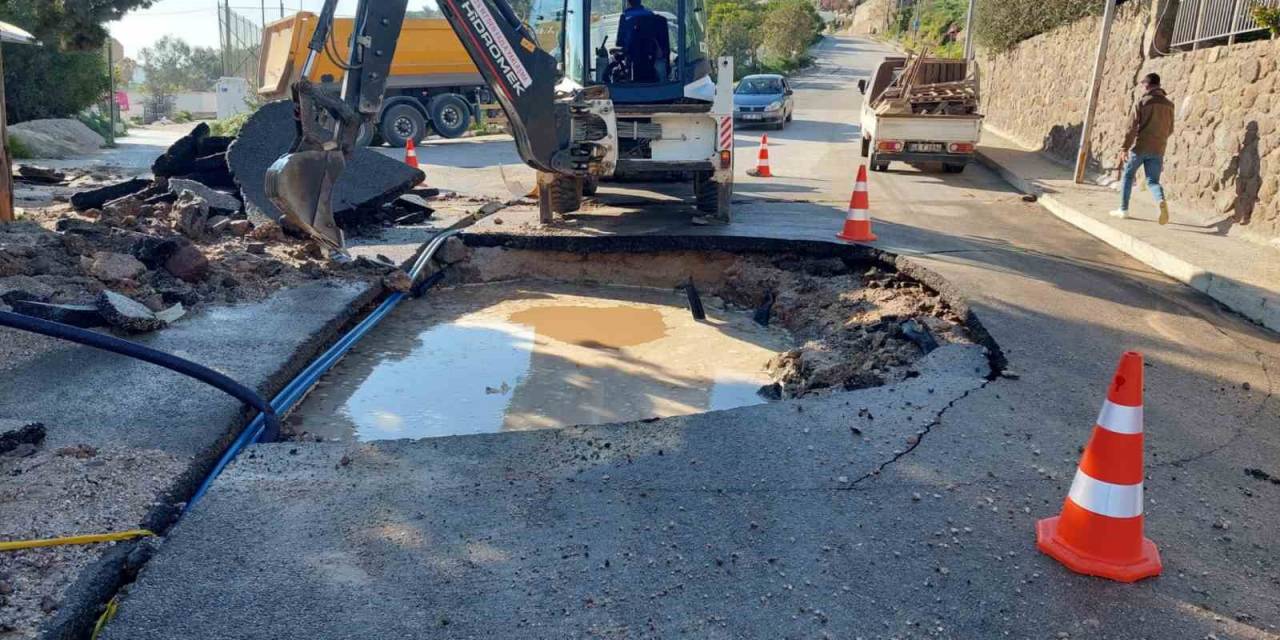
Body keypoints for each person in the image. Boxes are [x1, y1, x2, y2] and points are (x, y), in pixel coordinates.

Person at [1111, 73, 1175, 224]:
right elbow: (1170, 129)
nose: (1143, 87)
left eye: (1143, 84)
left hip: (1141, 147)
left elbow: (1131, 128)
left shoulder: (1142, 102)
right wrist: (1160, 140)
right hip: (1159, 148)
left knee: (1127, 175)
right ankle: (1160, 201)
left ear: (1147, 85)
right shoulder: (1169, 105)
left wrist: (1124, 148)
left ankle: (1123, 209)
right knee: (1153, 181)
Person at [616, 0, 668, 82]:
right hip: (650, 64)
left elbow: (620, 42)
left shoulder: (625, 17)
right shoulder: (651, 16)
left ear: (628, 2)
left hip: (632, 63)